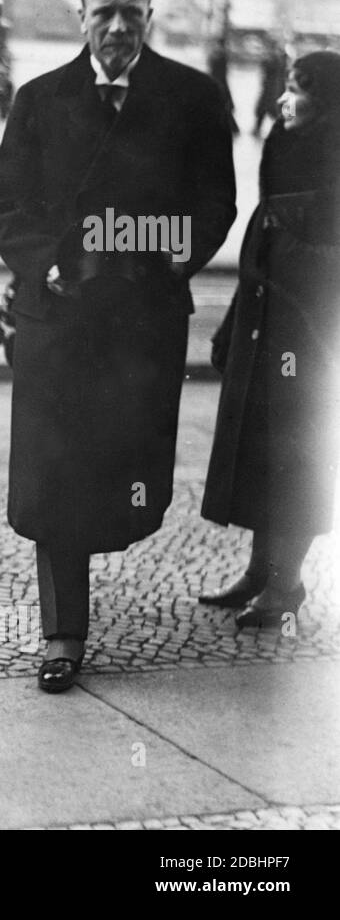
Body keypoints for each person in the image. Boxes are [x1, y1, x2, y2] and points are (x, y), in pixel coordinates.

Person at [0, 0, 236, 693]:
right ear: (82, 18)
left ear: (149, 18)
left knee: (128, 478)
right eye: (105, 12)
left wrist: (163, 260)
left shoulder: (191, 97)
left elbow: (215, 203)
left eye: (132, 11)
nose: (119, 26)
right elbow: (5, 205)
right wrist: (47, 265)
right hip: (58, 321)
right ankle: (63, 633)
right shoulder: (40, 99)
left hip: (141, 324)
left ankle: (103, 551)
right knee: (53, 476)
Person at [199, 50, 340, 627]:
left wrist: (285, 241)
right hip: (265, 323)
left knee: (296, 457)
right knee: (261, 450)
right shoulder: (285, 147)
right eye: (286, 85)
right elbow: (259, 254)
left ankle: (287, 584)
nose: (284, 99)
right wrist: (232, 325)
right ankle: (261, 572)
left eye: (298, 88)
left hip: (310, 336)